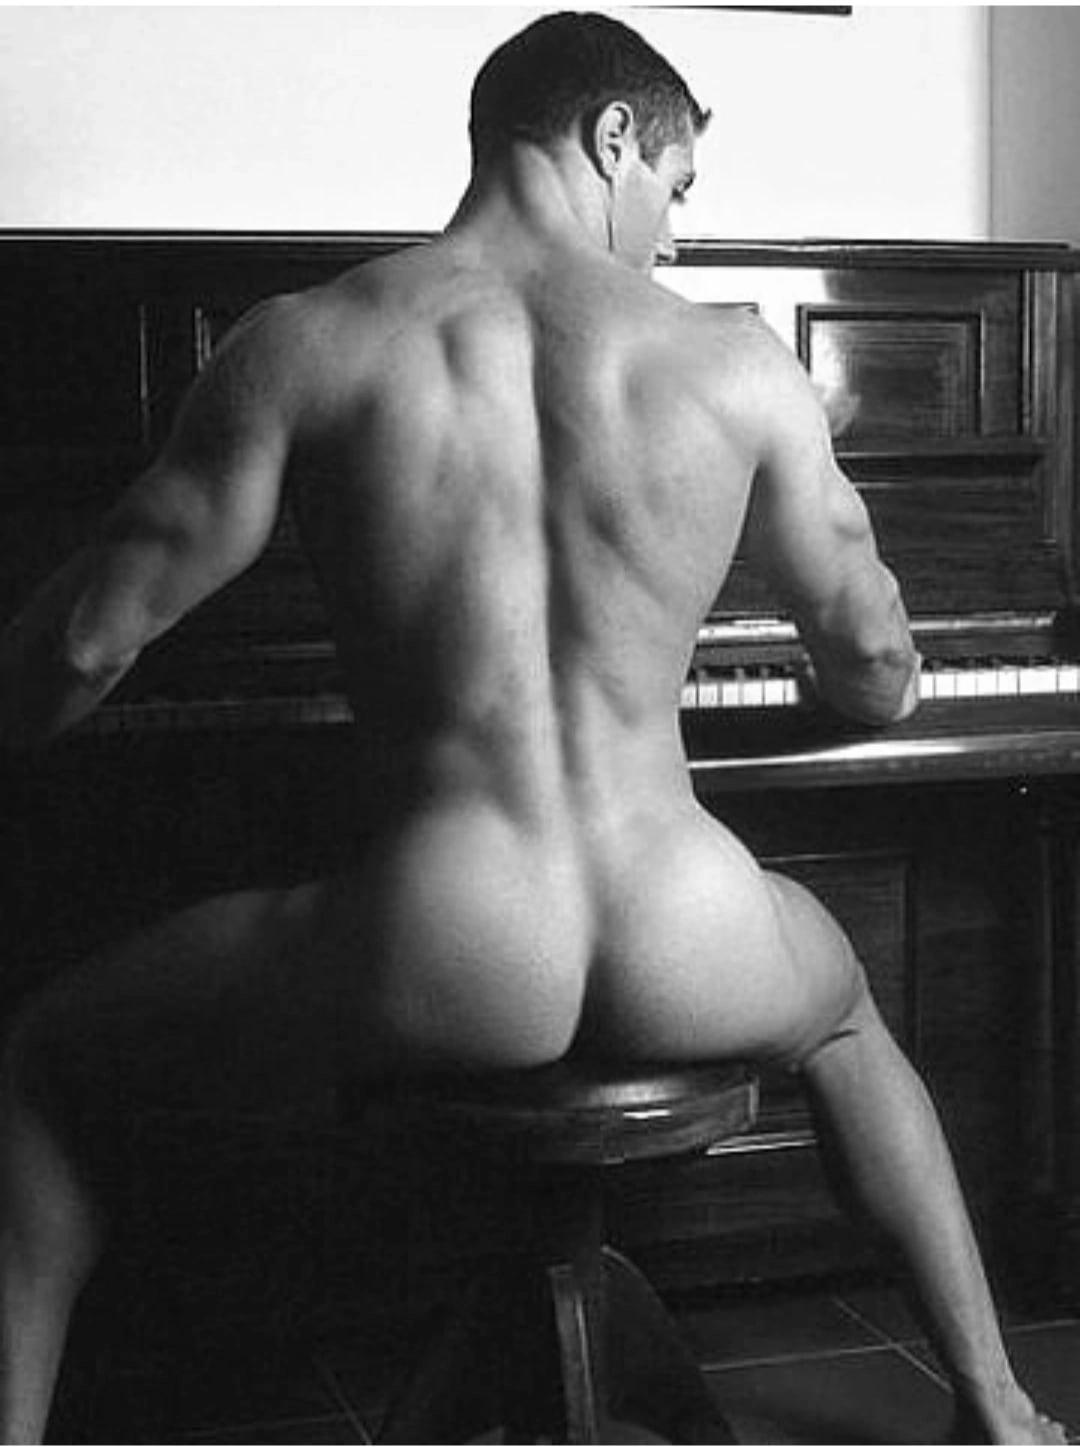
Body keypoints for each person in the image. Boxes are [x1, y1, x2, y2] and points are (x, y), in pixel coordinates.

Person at [0, 11, 1066, 1444]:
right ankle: (998, 1409)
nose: (675, 237)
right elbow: (875, 664)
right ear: (612, 138)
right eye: (677, 188)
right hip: (688, 928)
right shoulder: (738, 365)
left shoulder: (309, 342)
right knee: (849, 1016)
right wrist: (867, 680)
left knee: (44, 1059)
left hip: (444, 940)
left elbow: (88, 638)